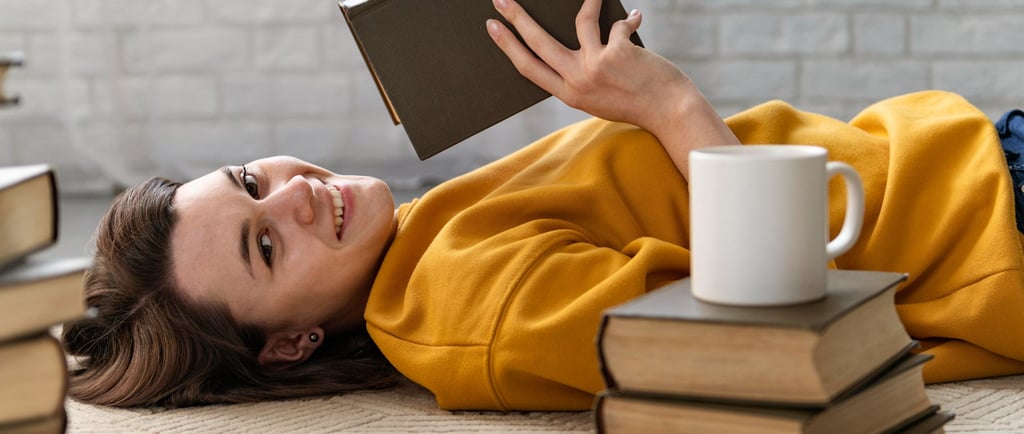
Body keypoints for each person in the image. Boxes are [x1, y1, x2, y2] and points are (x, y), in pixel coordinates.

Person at [62, 0, 1024, 411]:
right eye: (266, 247)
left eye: (247, 180)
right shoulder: (464, 308)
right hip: (995, 227)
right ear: (289, 345)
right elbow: (767, 340)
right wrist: (666, 101)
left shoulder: (428, 253)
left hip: (967, 167)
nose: (296, 196)